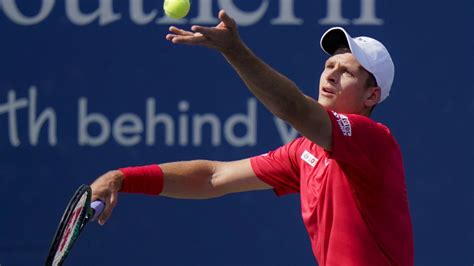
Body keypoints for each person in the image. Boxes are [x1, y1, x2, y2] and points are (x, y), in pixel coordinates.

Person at [91, 10, 414, 266]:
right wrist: (122, 178)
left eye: (347, 71)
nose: (330, 74)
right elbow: (212, 178)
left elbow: (291, 107)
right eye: (329, 65)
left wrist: (234, 50)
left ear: (372, 95)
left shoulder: (374, 140)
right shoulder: (304, 151)